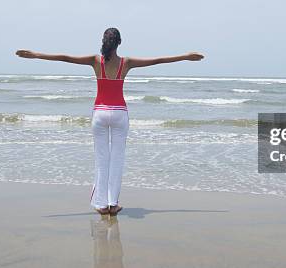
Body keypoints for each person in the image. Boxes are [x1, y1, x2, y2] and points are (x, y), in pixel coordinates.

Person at [15, 27, 204, 215]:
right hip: (120, 114)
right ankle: (113, 204)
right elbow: (157, 61)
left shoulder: (95, 61)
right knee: (117, 160)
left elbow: (65, 57)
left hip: (100, 113)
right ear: (119, 42)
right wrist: (185, 56)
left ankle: (101, 204)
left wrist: (36, 55)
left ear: (103, 41)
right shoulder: (126, 62)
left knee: (102, 159)